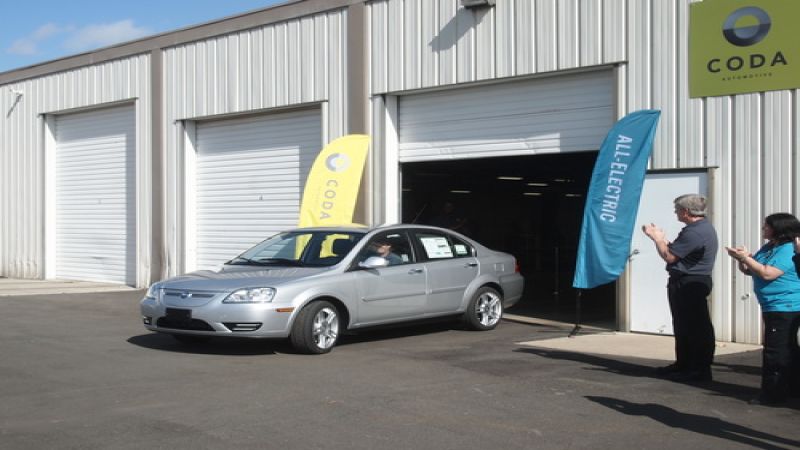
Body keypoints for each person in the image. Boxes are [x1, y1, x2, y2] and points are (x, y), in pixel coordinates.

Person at [725, 213, 800, 405]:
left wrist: (747, 259)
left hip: (785, 305)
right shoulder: (770, 247)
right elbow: (751, 269)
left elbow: (768, 273)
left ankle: (773, 394)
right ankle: (791, 389)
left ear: (779, 228)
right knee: (787, 348)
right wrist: (743, 258)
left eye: (767, 226)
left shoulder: (787, 249)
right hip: (771, 304)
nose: (763, 229)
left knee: (776, 350)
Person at [642, 194, 718, 382]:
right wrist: (663, 239)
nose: (675, 212)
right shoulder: (699, 229)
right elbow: (677, 251)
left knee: (694, 326)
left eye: (677, 209)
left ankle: (698, 368)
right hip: (689, 280)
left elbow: (670, 256)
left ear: (686, 212)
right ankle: (684, 363)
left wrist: (657, 239)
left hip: (689, 282)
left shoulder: (695, 232)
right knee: (684, 324)